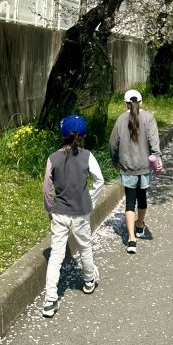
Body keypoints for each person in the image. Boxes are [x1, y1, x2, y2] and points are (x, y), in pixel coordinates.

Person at [42, 114, 104, 318]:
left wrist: (50, 209)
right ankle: (88, 281)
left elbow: (46, 189)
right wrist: (90, 201)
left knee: (56, 255)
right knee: (85, 247)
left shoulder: (53, 158)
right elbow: (99, 180)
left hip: (59, 212)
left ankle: (50, 300)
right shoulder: (87, 156)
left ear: (62, 134)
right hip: (80, 213)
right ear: (82, 136)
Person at [109, 89, 162, 254]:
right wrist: (157, 159)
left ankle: (131, 239)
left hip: (127, 167)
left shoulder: (120, 119)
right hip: (144, 166)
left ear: (125, 103)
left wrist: (115, 160)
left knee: (130, 201)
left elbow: (112, 144)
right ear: (141, 102)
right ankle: (140, 225)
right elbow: (154, 143)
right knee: (142, 197)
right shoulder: (148, 118)